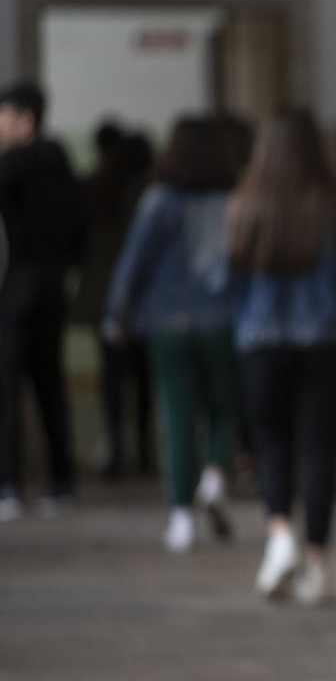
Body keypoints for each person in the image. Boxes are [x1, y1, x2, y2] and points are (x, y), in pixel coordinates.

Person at [226, 107, 336, 606]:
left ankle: (280, 535)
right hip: (327, 339)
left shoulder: (246, 200)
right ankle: (318, 564)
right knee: (318, 450)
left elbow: (229, 278)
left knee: (271, 442)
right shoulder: (334, 198)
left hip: (261, 341)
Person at [104, 116, 242, 552]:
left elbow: (133, 261)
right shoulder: (234, 198)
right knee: (226, 407)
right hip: (222, 317)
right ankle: (216, 475)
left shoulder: (159, 199)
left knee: (178, 417)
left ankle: (181, 518)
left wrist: (116, 315)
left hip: (167, 320)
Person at [0, 81, 87, 521]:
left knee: (8, 387)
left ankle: (9, 485)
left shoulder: (11, 164)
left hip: (17, 286)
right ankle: (60, 482)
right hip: (54, 286)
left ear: (24, 119)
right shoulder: (63, 163)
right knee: (50, 385)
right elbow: (80, 225)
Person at [74, 121, 155, 479]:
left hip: (104, 294)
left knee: (112, 377)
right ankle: (142, 453)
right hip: (142, 296)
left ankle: (117, 452)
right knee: (142, 380)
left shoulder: (94, 188)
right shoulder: (146, 194)